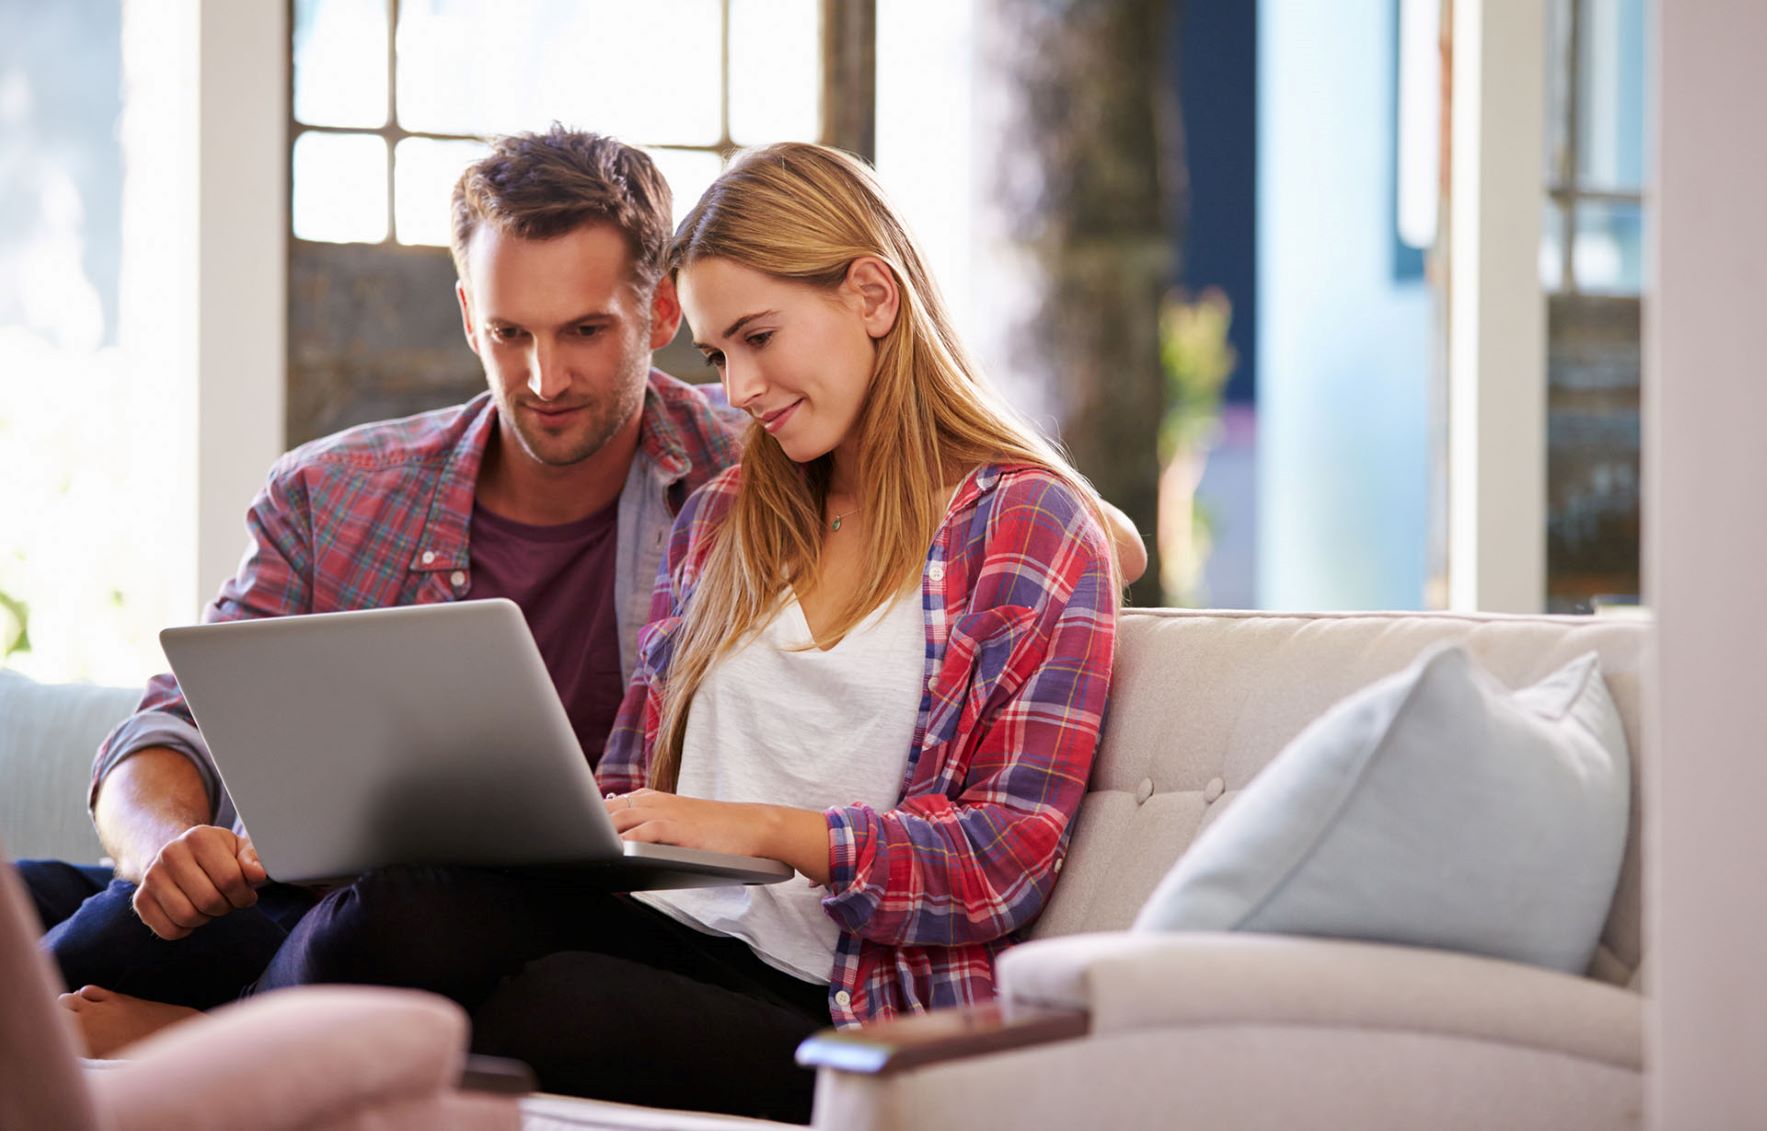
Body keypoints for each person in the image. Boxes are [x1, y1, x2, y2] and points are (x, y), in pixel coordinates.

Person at [291, 141, 1120, 1121]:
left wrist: (758, 830)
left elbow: (1001, 860)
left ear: (873, 296)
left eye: (760, 338)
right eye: (721, 354)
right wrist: (556, 823)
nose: (738, 389)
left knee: (556, 1012)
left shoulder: (1021, 526)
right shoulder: (725, 518)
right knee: (391, 914)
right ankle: (221, 1079)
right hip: (660, 924)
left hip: (839, 1000)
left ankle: (236, 1057)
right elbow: (630, 782)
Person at [15, 126, 747, 1055]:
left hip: (502, 927)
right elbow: (172, 725)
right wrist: (163, 847)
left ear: (663, 310)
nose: (543, 377)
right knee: (56, 903)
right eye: (508, 332)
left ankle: (205, 1040)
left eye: (585, 331)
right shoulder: (335, 491)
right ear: (465, 311)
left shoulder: (750, 480)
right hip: (292, 899)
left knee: (411, 909)